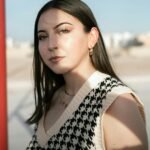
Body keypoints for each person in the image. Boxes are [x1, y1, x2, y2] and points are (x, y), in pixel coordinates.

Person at [26, 0, 148, 149]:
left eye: (64, 30)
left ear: (92, 37)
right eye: (42, 37)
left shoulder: (116, 102)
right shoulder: (52, 98)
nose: (52, 45)